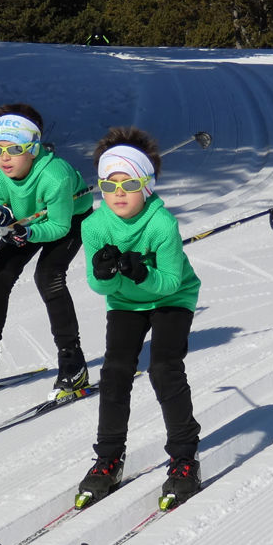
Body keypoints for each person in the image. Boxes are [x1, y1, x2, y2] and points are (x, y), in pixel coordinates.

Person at [76, 127, 203, 509]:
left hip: (172, 296)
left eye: (128, 183)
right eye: (108, 184)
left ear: (146, 186)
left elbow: (169, 281)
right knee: (115, 370)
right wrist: (104, 274)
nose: (117, 193)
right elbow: (96, 288)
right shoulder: (94, 226)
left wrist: (140, 273)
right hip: (126, 302)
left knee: (164, 367)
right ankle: (109, 459)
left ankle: (184, 460)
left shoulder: (162, 224)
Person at [0, 103, 94, 398]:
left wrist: (26, 231)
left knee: (48, 276)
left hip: (69, 219)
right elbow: (0, 219)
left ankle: (73, 363)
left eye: (14, 150)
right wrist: (2, 223)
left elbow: (58, 227)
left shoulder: (56, 177)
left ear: (33, 148)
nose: (4, 158)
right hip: (27, 222)